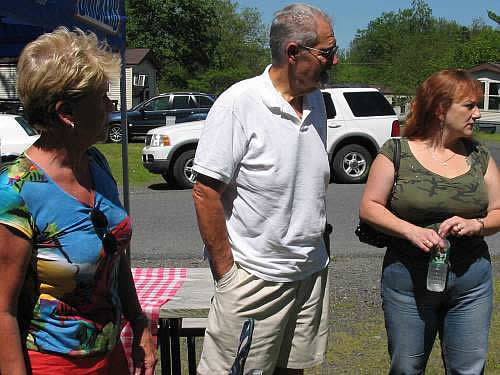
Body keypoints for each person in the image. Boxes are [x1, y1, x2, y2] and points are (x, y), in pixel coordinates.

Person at [191, 3, 338, 374]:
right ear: (293, 52)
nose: (334, 61)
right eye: (326, 52)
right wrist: (228, 275)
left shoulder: (317, 101)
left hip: (309, 275)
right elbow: (205, 191)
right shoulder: (239, 103)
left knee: (294, 370)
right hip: (254, 280)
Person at [0, 28, 156, 375]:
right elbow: (2, 312)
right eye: (100, 97)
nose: (110, 105)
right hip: (53, 364)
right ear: (66, 112)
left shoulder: (96, 164)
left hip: (110, 355)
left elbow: (114, 259)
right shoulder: (16, 191)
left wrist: (139, 321)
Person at [359, 69, 500, 374]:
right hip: (407, 279)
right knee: (406, 368)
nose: (477, 113)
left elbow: (499, 211)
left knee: (469, 369)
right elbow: (370, 207)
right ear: (440, 108)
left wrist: (477, 225)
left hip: (470, 281)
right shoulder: (397, 151)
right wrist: (410, 231)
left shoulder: (480, 156)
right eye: (469, 105)